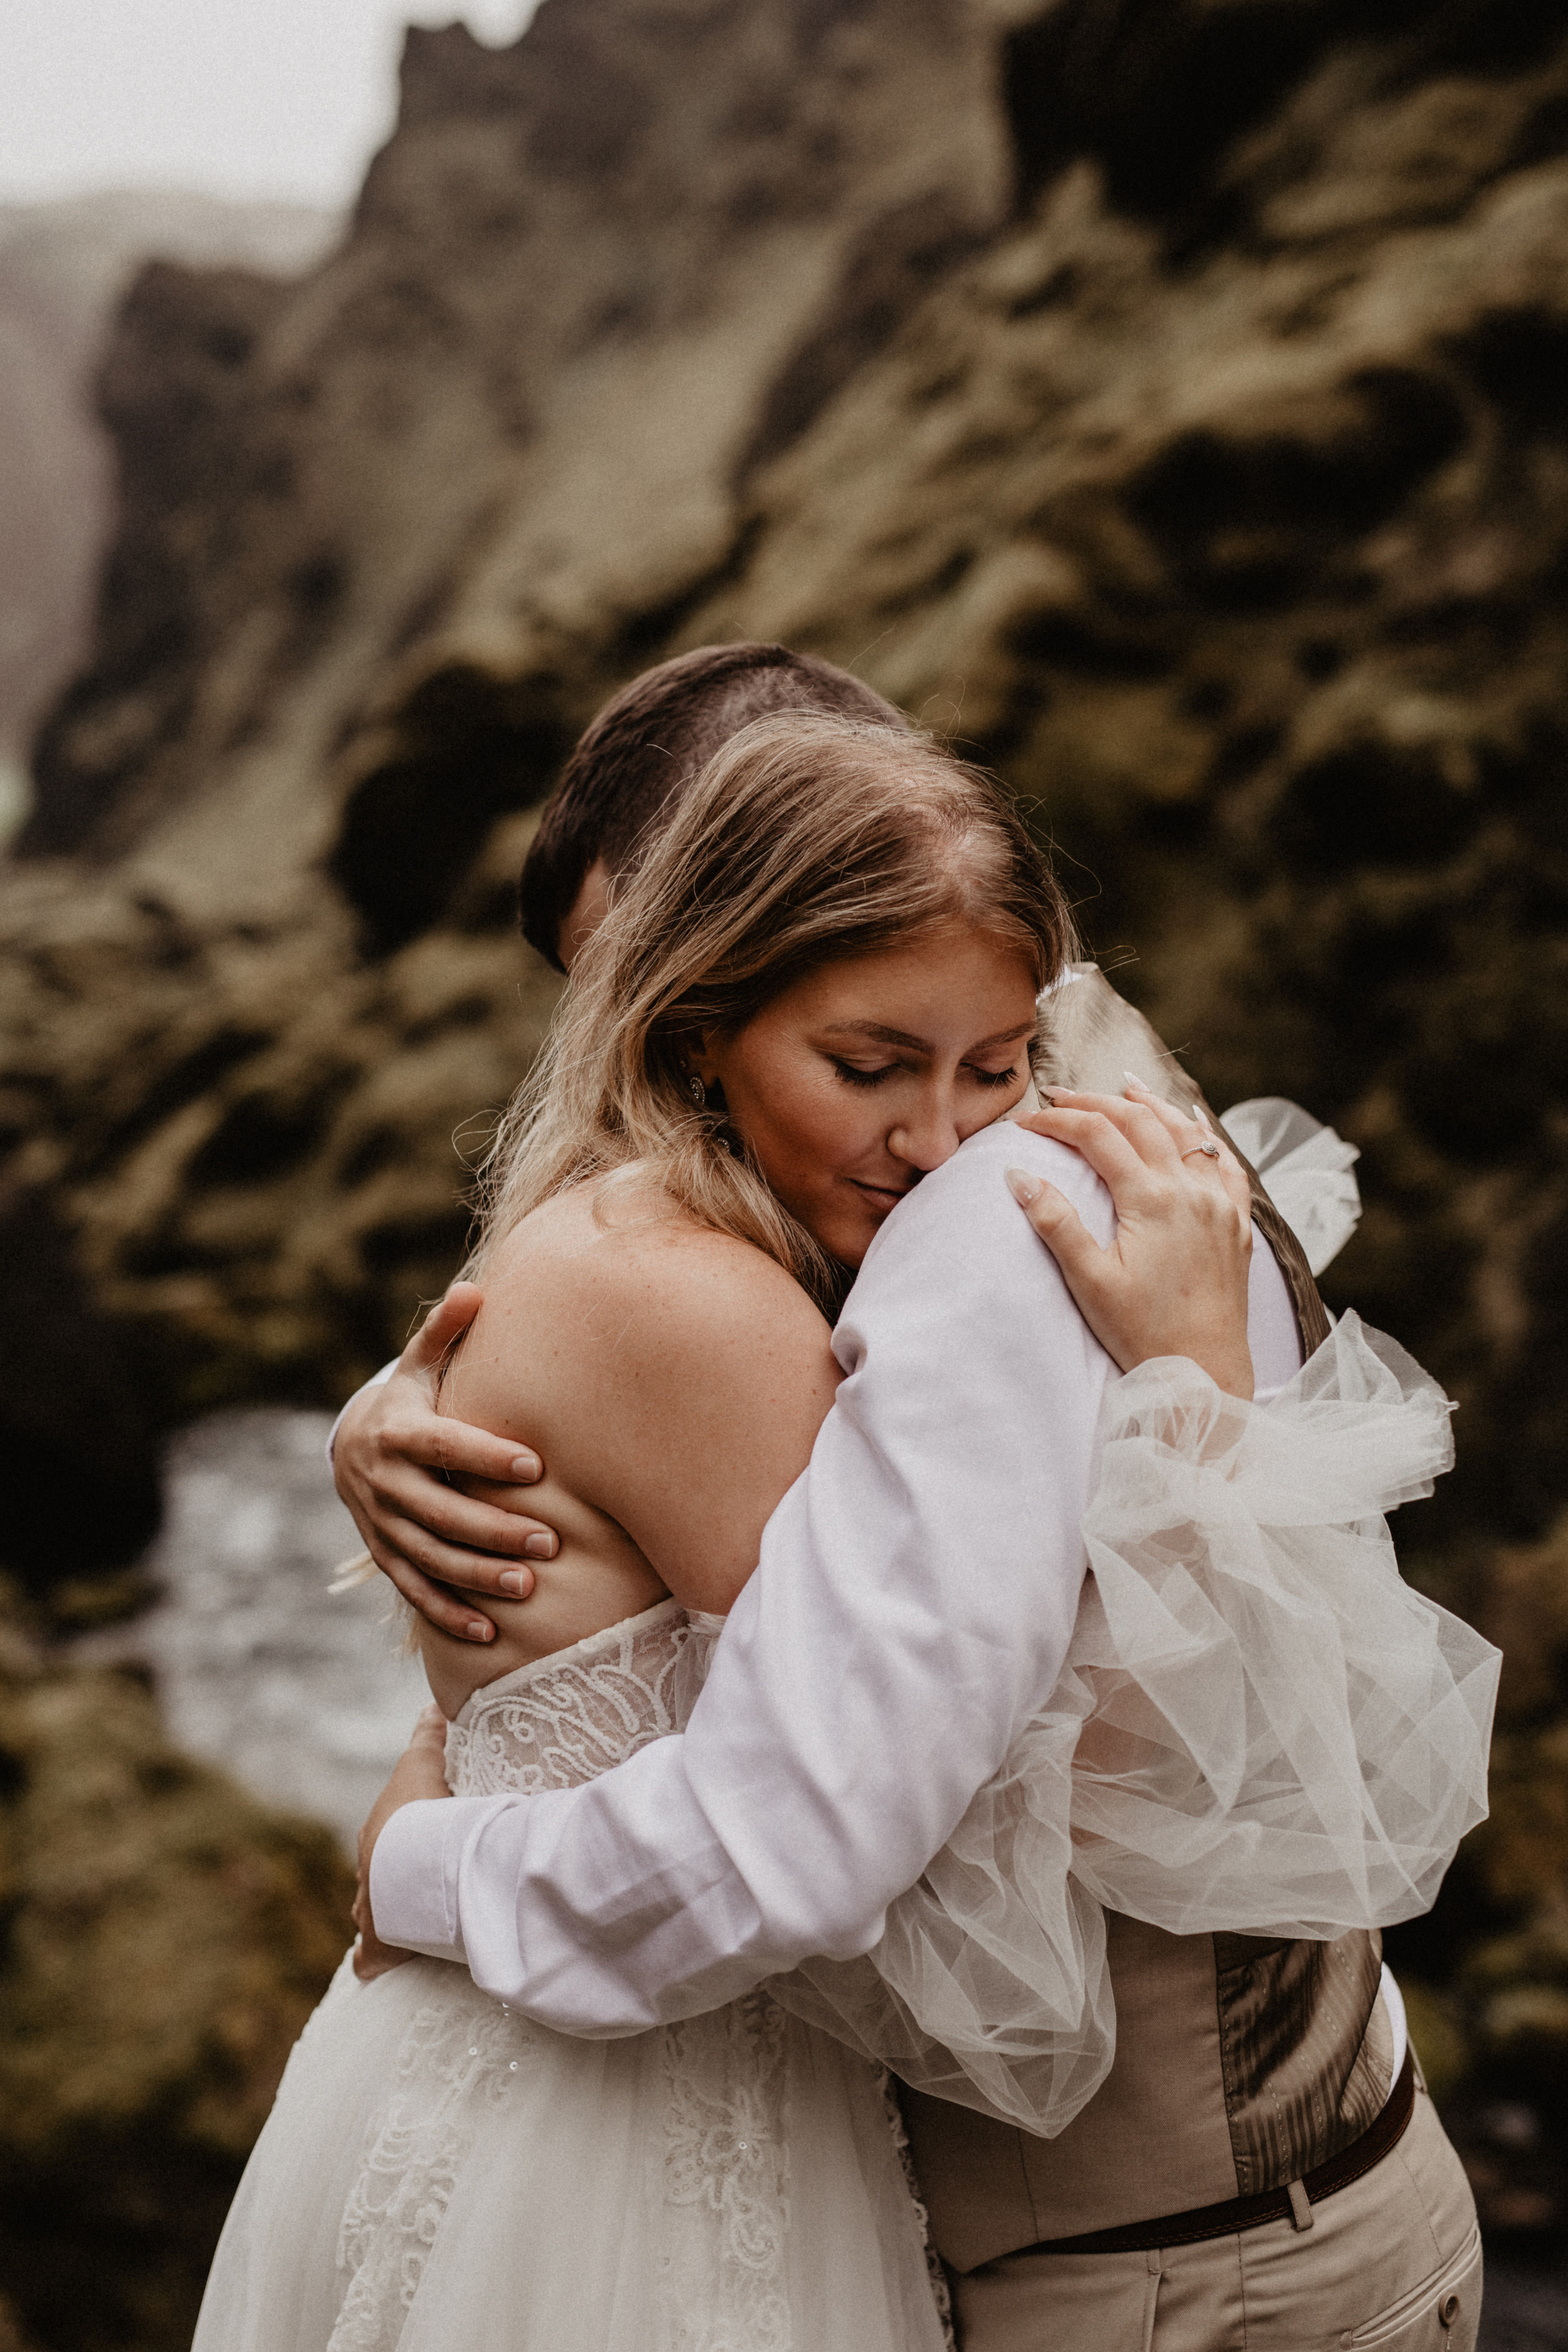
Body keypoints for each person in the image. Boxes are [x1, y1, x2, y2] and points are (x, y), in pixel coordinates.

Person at [336, 681, 1497, 2351]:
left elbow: (846, 1824)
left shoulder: (1000, 1231)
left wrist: (428, 1865)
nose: (631, 1058)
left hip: (1185, 2271)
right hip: (1270, 2202)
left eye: (968, 1060)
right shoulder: (1030, 1132)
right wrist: (417, 1404)